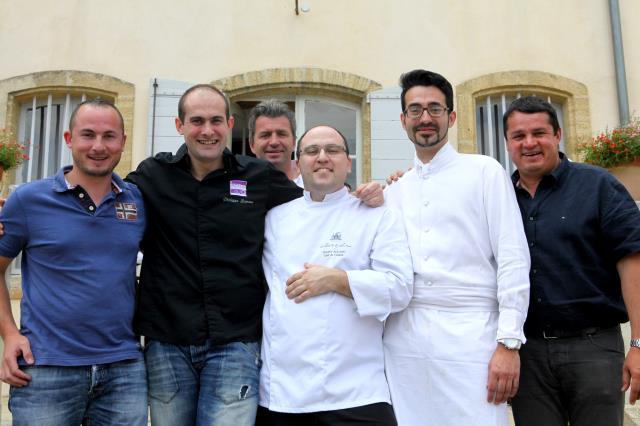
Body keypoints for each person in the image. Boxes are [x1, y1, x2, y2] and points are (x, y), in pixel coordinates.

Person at [127, 85, 381, 425]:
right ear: (179, 125)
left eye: (216, 120)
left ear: (230, 124)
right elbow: (108, 208)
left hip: (235, 344)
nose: (207, 130)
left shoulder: (257, 177)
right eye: (197, 121)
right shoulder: (151, 176)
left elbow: (320, 200)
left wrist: (374, 191)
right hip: (167, 341)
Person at [382, 69, 531, 426]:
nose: (425, 118)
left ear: (451, 116)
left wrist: (508, 343)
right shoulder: (393, 191)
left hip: (473, 336)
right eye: (415, 110)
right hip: (404, 341)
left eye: (434, 108)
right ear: (403, 121)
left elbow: (512, 257)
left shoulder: (484, 172)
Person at [0, 99, 147, 425]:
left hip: (124, 371)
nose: (98, 146)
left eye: (109, 136)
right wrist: (10, 334)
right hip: (46, 368)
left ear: (123, 141)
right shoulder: (28, 200)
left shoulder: (137, 201)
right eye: (88, 135)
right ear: (69, 139)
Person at [256, 125, 413, 425]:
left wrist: (335, 279)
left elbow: (399, 288)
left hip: (356, 393)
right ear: (298, 162)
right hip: (282, 395)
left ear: (348, 162)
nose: (322, 158)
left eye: (333, 150)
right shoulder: (274, 219)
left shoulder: (378, 215)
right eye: (312, 151)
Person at [503, 96, 640, 426]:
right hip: (528, 352)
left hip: (592, 349)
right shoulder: (498, 196)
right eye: (519, 136)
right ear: (507, 143)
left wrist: (638, 343)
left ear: (558, 135)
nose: (530, 143)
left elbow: (633, 261)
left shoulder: (598, 185)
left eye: (540, 133)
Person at [247, 99, 383, 200]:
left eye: (282, 134)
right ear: (252, 144)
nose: (274, 142)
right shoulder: (240, 186)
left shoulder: (316, 182)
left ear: (294, 143)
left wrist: (370, 195)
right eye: (265, 135)